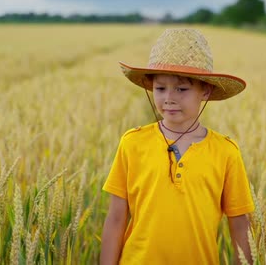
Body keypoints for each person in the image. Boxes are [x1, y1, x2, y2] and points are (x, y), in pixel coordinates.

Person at [101, 28, 254, 264]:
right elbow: (115, 218)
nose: (169, 98)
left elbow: (240, 223)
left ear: (205, 90)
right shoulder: (132, 143)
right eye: (160, 89)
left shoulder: (226, 152)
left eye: (181, 89)